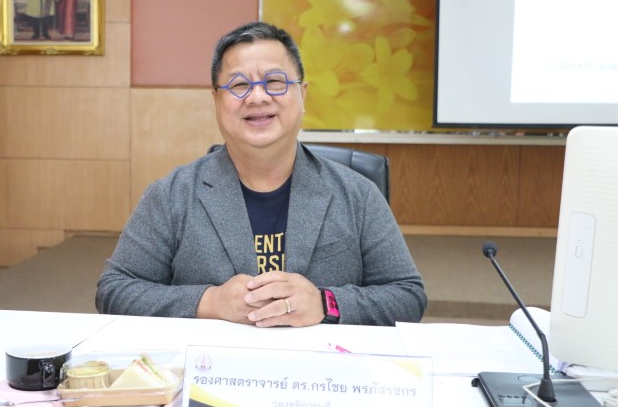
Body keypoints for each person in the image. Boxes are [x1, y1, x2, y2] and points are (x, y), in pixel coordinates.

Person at [95, 21, 427, 327]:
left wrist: (326, 303)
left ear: (302, 94)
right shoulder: (172, 195)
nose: (257, 97)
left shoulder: (358, 194)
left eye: (275, 82)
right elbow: (115, 290)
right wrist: (210, 301)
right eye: (239, 84)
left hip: (321, 366)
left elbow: (407, 296)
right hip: (213, 365)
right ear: (216, 99)